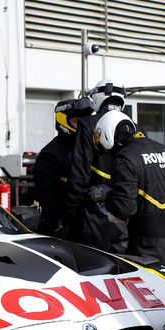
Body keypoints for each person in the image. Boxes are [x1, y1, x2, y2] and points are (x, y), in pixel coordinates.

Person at [93, 110, 165, 266]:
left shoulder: (124, 157)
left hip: (147, 242)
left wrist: (106, 195)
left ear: (108, 134)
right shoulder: (164, 149)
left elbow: (124, 208)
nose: (109, 154)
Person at [61, 80, 128, 252]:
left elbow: (78, 174)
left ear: (98, 97)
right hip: (126, 210)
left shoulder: (89, 124)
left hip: (94, 213)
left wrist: (67, 217)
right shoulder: (133, 126)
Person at [33, 98, 93, 236]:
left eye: (86, 122)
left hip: (89, 224)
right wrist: (60, 222)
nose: (83, 127)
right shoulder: (51, 153)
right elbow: (45, 193)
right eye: (78, 122)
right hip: (64, 228)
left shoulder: (90, 149)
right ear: (63, 121)